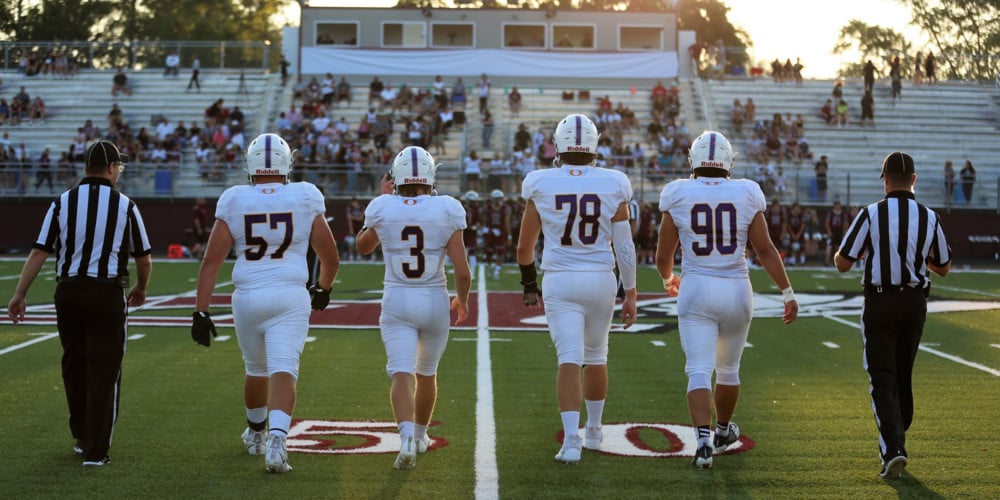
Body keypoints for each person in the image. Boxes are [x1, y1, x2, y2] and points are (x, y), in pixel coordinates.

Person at [191, 133, 340, 474]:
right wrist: (323, 288)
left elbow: (212, 261)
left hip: (249, 296)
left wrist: (201, 310)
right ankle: (276, 442)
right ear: (287, 164)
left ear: (251, 165)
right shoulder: (305, 195)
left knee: (256, 369)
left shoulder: (234, 199)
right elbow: (330, 257)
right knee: (284, 369)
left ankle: (256, 434)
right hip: (290, 294)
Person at [655, 131, 798, 469]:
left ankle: (703, 443)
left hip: (697, 286)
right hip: (736, 288)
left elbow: (664, 255)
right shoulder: (747, 191)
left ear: (693, 160)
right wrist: (787, 291)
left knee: (699, 370)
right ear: (728, 163)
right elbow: (765, 250)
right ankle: (722, 431)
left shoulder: (677, 192)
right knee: (729, 369)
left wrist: (667, 278)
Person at [7, 140, 152, 467]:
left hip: (69, 293)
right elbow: (144, 258)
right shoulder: (125, 205)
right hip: (106, 293)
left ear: (86, 167)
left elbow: (39, 252)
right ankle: (96, 450)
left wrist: (19, 293)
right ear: (113, 168)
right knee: (105, 370)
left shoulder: (62, 202)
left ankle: (81, 435)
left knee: (74, 365)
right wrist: (142, 288)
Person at [516, 114, 638, 464]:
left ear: (559, 145)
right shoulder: (614, 182)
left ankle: (572, 441)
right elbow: (624, 246)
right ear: (594, 146)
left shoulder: (541, 182)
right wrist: (630, 292)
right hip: (601, 277)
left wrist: (529, 284)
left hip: (561, 278)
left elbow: (525, 249)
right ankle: (595, 431)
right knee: (597, 355)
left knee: (569, 358)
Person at [834, 151, 951, 479]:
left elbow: (843, 262)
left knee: (881, 376)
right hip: (914, 303)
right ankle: (897, 434)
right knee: (902, 373)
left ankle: (894, 446)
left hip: (880, 301)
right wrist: (915, 260)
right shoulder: (929, 216)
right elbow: (943, 266)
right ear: (914, 180)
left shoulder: (871, 214)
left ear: (884, 179)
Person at [355, 146, 472, 470]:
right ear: (430, 178)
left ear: (396, 178)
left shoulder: (383, 206)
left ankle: (406, 436)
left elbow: (363, 246)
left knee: (402, 373)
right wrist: (462, 299)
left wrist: (382, 203)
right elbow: (462, 271)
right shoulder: (447, 208)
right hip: (434, 298)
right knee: (427, 374)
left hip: (397, 299)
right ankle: (421, 436)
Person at [824, 200, 848, 267]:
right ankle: (826, 262)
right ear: (834, 206)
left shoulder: (843, 214)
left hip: (839, 232)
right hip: (832, 232)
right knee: (829, 247)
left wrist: (844, 232)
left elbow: (845, 224)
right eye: (836, 205)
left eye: (838, 205)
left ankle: (836, 263)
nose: (837, 207)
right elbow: (827, 223)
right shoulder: (830, 213)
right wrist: (829, 231)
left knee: (838, 248)